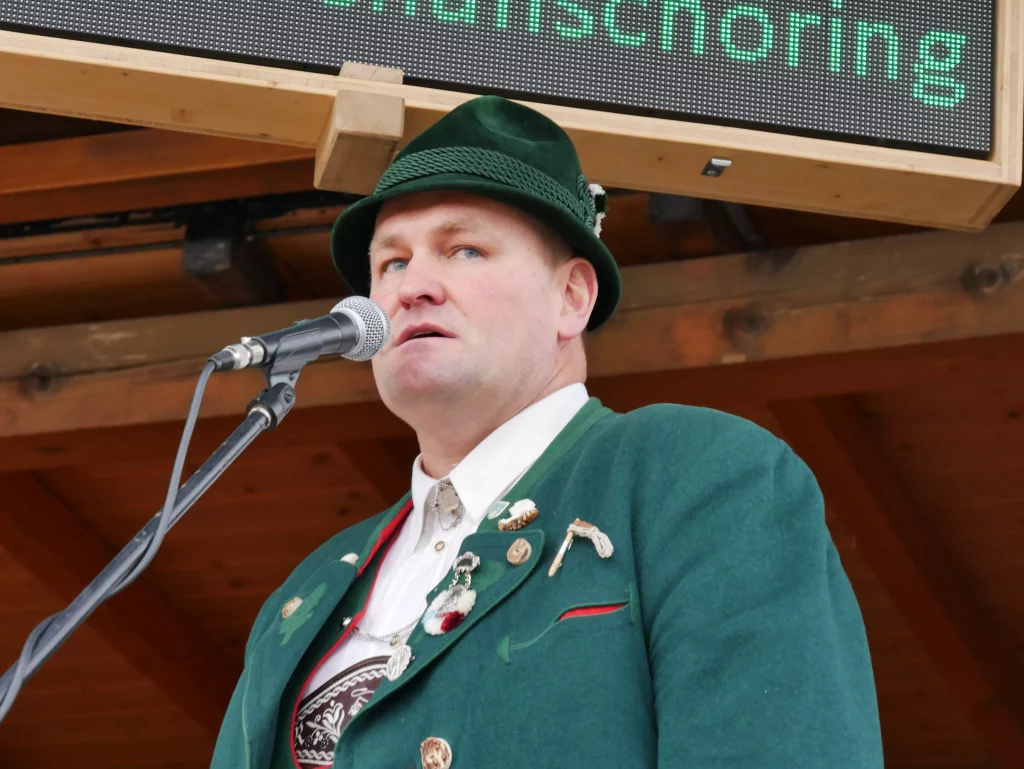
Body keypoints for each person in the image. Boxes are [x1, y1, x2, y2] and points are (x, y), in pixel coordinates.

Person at [210, 95, 883, 769]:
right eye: (391, 263)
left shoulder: (697, 474)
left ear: (572, 298)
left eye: (465, 249)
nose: (413, 286)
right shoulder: (306, 594)